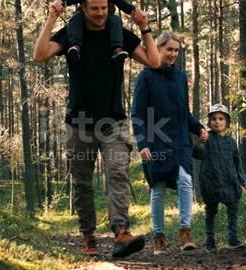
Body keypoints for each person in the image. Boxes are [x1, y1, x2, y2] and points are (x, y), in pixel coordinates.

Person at [33, 0, 160, 258]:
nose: (100, 13)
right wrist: (51, 18)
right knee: (81, 183)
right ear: (82, 8)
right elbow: (40, 54)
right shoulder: (71, 33)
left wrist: (145, 28)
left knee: (117, 175)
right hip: (78, 123)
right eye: (95, 9)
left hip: (113, 121)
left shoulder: (120, 34)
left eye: (104, 8)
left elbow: (154, 61)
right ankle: (88, 235)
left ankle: (121, 232)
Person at [131, 31, 208, 255]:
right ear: (158, 49)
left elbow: (185, 113)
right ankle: (159, 237)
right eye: (169, 49)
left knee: (185, 181)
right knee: (158, 188)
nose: (173, 54)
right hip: (156, 141)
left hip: (181, 141)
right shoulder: (145, 77)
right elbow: (137, 113)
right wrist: (143, 143)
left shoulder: (181, 77)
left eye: (176, 50)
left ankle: (185, 232)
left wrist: (199, 128)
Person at [193, 104, 246, 253]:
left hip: (230, 181)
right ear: (210, 121)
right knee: (211, 211)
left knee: (233, 209)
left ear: (227, 122)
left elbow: (237, 162)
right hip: (211, 180)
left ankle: (233, 239)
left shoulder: (231, 141)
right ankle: (210, 241)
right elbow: (198, 154)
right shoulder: (207, 139)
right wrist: (199, 143)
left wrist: (241, 182)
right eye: (214, 119)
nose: (217, 122)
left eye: (221, 119)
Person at [56, 0, 138, 62]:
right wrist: (61, 2)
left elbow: (122, 3)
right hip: (85, 16)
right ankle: (75, 46)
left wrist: (134, 11)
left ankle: (117, 49)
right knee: (75, 18)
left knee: (116, 20)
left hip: (107, 17)